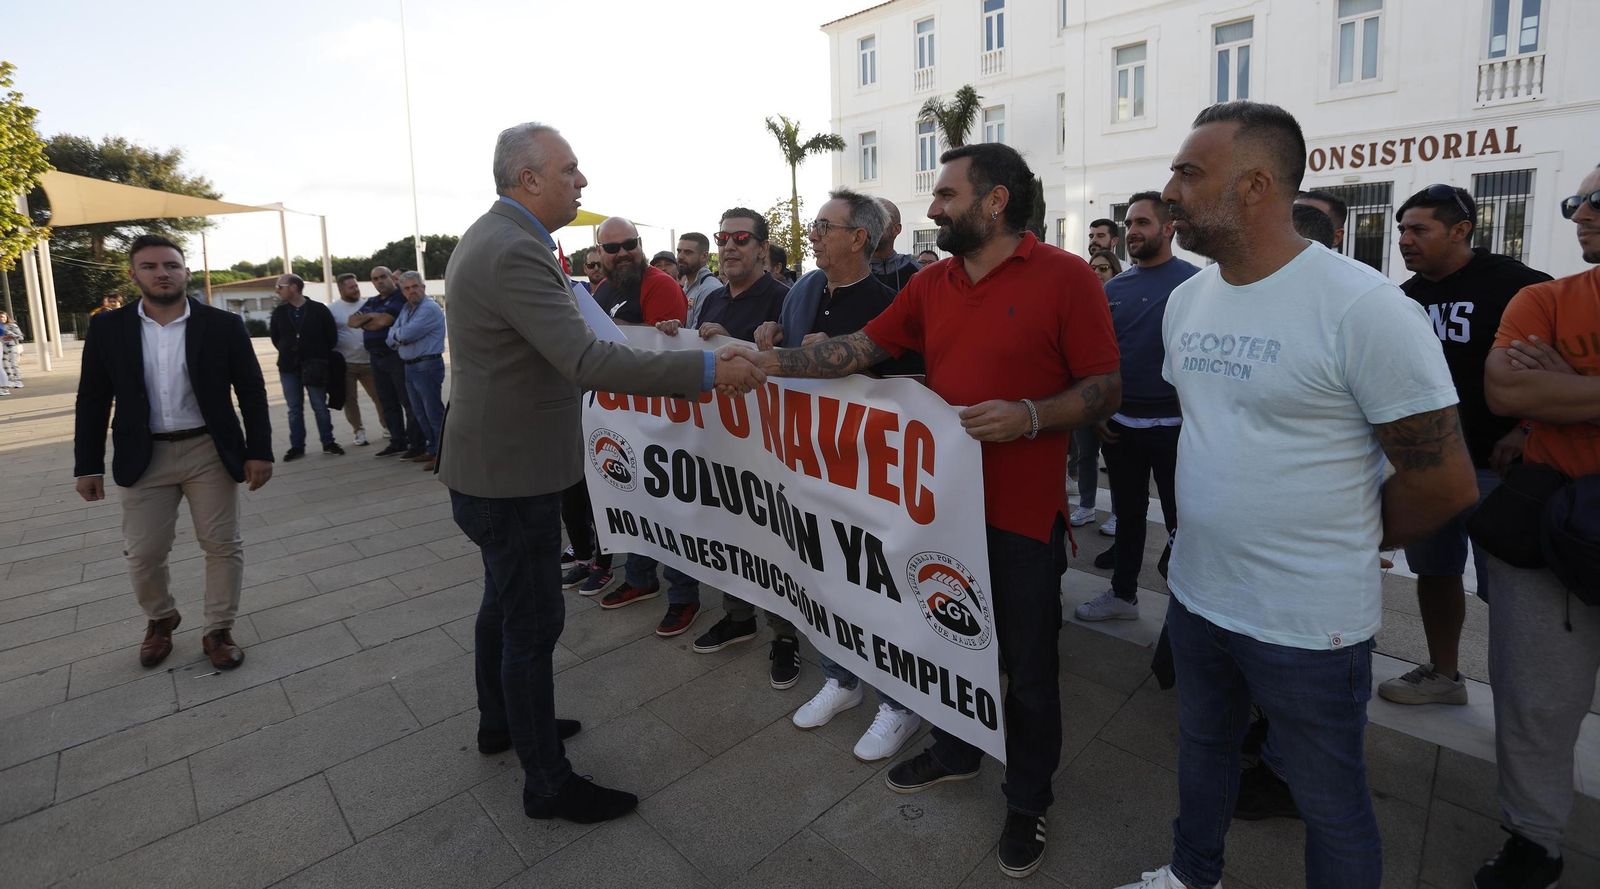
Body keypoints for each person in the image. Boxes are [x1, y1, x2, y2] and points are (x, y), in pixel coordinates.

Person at [725, 142, 1121, 880]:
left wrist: (1033, 415)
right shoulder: (934, 283)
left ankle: (1028, 799)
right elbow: (858, 349)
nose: (933, 209)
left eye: (946, 194)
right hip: (940, 514)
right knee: (944, 642)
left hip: (1022, 520)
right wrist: (763, 362)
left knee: (1030, 671)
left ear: (994, 201)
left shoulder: (1067, 278)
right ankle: (954, 750)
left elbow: (1105, 388)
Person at [1113, 101, 1475, 889]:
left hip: (1309, 622)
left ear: (1252, 185)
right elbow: (1220, 431)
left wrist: (1355, 528)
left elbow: (1445, 479)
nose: (1169, 190)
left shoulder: (1364, 306)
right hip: (1201, 595)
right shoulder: (1188, 299)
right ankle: (1190, 874)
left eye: (1187, 172)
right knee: (1202, 751)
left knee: (1329, 799)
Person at [439, 122, 765, 826]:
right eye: (570, 169)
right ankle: (547, 784)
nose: (581, 182)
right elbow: (587, 360)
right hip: (509, 475)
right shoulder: (515, 249)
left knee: (503, 605)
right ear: (529, 179)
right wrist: (709, 368)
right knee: (530, 623)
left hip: (494, 464)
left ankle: (504, 724)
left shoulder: (496, 237)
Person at [751, 188, 927, 761]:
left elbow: (913, 385)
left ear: (860, 238)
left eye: (825, 225)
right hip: (810, 469)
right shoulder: (803, 290)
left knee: (880, 589)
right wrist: (771, 337)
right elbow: (782, 340)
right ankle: (841, 678)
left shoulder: (890, 301)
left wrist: (848, 359)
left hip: (871, 479)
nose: (814, 235)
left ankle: (898, 703)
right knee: (823, 576)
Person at [1473, 164, 1600, 889]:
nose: (1579, 213)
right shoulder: (1543, 299)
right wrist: (1544, 391)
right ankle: (1533, 839)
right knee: (1533, 699)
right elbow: (1509, 386)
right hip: (1552, 525)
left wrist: (1571, 390)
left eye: (1596, 199)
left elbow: (1540, 392)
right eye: (1572, 200)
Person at [1380, 184, 1551, 708]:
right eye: (1402, 229)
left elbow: (1556, 370)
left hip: (1499, 470)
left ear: (1460, 230)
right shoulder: (1403, 298)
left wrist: (1525, 430)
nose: (1405, 240)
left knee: (1510, 591)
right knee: (1434, 571)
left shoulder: (1518, 287)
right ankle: (1445, 674)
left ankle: (1527, 702)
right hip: (1429, 467)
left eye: (1419, 230)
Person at [73, 234, 274, 670]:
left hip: (208, 450)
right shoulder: (109, 328)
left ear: (185, 270)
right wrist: (87, 465)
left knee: (222, 544)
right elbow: (92, 397)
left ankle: (218, 629)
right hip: (143, 455)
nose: (161, 273)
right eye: (149, 266)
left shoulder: (222, 325)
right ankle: (161, 619)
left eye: (170, 265)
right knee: (143, 552)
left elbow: (253, 391)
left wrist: (260, 450)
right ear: (133, 275)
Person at [654, 208, 793, 666]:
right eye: (723, 237)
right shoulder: (710, 301)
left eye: (741, 238)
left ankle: (785, 635)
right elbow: (702, 358)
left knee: (772, 543)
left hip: (766, 451)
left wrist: (735, 341)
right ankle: (738, 616)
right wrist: (678, 336)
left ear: (761, 249)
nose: (729, 246)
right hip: (718, 440)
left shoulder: (782, 298)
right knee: (727, 534)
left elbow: (791, 370)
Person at [1075, 191, 1197, 621]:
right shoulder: (1115, 287)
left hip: (1178, 429)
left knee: (1186, 523)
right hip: (1121, 424)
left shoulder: (1195, 283)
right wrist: (1099, 411)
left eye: (1142, 223)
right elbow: (1102, 358)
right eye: (1128, 224)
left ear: (1168, 228)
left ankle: (1188, 610)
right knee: (1128, 514)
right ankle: (1123, 595)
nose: (1132, 232)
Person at [349, 266, 424, 459]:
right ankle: (397, 441)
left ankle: (416, 443)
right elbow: (352, 322)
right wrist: (374, 318)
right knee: (387, 402)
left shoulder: (400, 297)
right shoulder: (373, 301)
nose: (379, 281)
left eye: (383, 277)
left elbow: (384, 322)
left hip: (395, 356)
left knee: (406, 400)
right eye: (375, 279)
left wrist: (369, 320)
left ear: (392, 278)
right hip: (375, 358)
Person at [268, 274, 344, 462]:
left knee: (319, 405)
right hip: (288, 367)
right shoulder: (279, 312)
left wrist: (316, 354)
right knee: (294, 408)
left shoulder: (318, 310)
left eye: (280, 286)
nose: (278, 290)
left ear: (294, 287)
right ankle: (297, 446)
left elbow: (331, 337)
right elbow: (276, 338)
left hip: (315, 365)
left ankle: (328, 442)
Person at [386, 271, 448, 471]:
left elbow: (407, 333)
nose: (411, 291)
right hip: (411, 366)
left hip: (427, 366)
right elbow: (391, 337)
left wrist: (399, 336)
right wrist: (399, 336)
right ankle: (432, 449)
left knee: (432, 412)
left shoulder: (429, 308)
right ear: (402, 291)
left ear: (423, 287)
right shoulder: (406, 309)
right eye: (407, 288)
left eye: (415, 287)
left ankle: (443, 454)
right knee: (419, 413)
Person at [328, 273, 384, 446]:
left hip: (369, 361)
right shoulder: (332, 310)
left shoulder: (368, 305)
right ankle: (358, 430)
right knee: (350, 400)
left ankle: (388, 426)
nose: (356, 289)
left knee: (380, 396)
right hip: (346, 364)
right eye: (351, 287)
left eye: (356, 286)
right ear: (341, 289)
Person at [869, 198, 919, 292]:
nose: (870, 225)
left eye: (879, 220)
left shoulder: (913, 270)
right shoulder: (852, 271)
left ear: (896, 229)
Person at [676, 232, 720, 316]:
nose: (680, 257)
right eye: (679, 251)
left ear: (704, 256)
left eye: (688, 252)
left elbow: (699, 329)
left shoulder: (710, 289)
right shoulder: (688, 285)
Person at [0, 310, 22, 390]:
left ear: (6, 317)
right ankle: (10, 380)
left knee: (14, 364)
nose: (1, 319)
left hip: (12, 347)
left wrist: (10, 334)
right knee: (4, 365)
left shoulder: (12, 326)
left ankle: (18, 381)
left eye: (2, 317)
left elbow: (21, 337)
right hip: (2, 348)